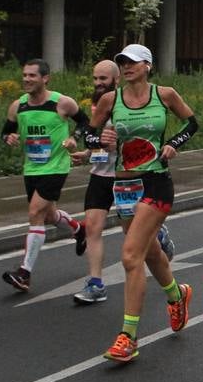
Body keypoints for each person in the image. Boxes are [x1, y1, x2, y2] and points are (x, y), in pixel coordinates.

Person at [89, 44, 198, 362]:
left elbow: (192, 124)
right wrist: (101, 140)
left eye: (133, 62)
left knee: (130, 255)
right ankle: (177, 295)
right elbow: (88, 135)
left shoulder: (164, 95)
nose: (127, 67)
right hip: (124, 184)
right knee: (150, 252)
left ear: (148, 65)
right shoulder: (110, 100)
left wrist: (173, 144)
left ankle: (128, 337)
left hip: (156, 182)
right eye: (123, 62)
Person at [72, 60, 175, 305]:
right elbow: (94, 137)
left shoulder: (130, 102)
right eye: (95, 78)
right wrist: (88, 151)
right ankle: (96, 283)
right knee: (93, 226)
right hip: (100, 175)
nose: (98, 83)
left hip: (128, 179)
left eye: (103, 79)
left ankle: (157, 235)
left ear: (116, 79)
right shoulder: (100, 104)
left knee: (132, 237)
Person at [0, 59, 88, 292]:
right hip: (32, 168)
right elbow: (6, 132)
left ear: (45, 78)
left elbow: (85, 122)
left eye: (32, 75)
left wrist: (74, 138)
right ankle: (79, 229)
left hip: (56, 166)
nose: (26, 79)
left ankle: (24, 273)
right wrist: (9, 138)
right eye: (25, 75)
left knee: (35, 212)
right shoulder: (18, 106)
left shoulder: (62, 103)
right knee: (48, 215)